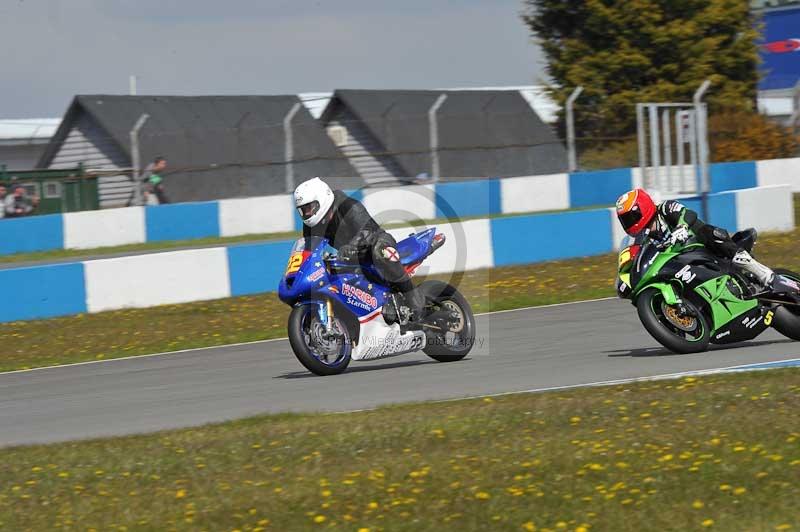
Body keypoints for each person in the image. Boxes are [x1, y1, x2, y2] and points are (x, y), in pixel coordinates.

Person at [294, 177, 425, 320]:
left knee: (381, 253)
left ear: (321, 199)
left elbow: (367, 229)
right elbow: (309, 250)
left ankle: (412, 296)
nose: (307, 214)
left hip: (376, 242)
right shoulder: (311, 226)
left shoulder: (347, 205)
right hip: (351, 257)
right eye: (303, 211)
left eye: (309, 208)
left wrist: (352, 246)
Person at [615, 188, 774, 287]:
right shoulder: (643, 237)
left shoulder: (665, 209)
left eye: (630, 217)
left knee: (711, 233)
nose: (629, 222)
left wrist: (682, 227)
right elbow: (637, 255)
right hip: (680, 263)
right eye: (625, 220)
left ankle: (762, 273)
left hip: (700, 246)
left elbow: (687, 214)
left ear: (642, 208)